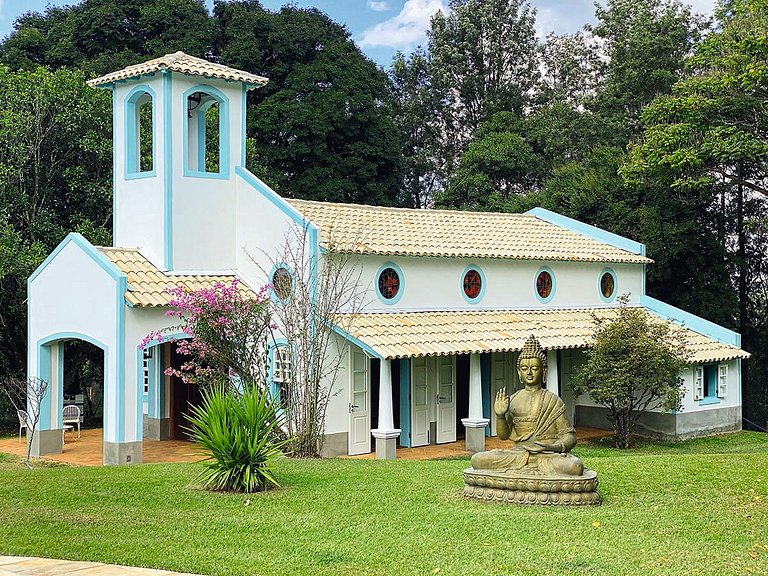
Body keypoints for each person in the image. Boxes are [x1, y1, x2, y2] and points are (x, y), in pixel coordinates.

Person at [470, 334, 584, 476]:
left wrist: (551, 446)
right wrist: (500, 416)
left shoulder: (553, 400)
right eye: (524, 368)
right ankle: (529, 470)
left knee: (575, 466)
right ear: (519, 372)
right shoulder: (513, 399)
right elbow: (503, 436)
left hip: (547, 455)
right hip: (518, 455)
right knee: (477, 460)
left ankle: (527, 471)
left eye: (535, 368)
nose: (529, 373)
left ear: (544, 371)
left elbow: (570, 438)